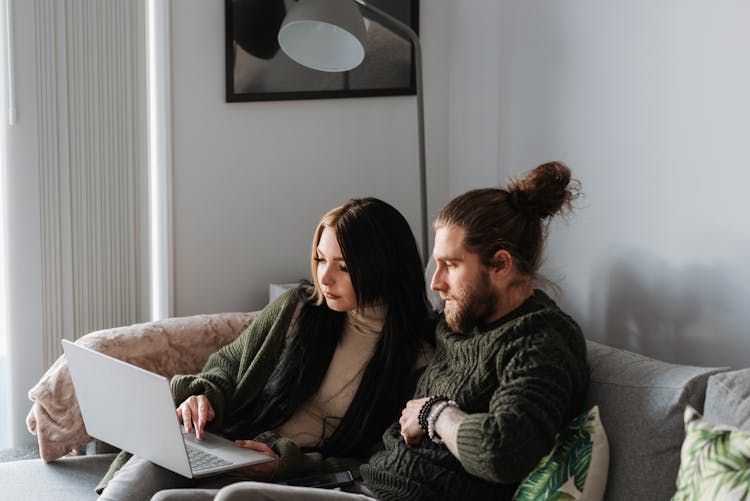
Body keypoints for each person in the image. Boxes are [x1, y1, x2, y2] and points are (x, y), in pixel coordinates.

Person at [199, 160, 590, 501]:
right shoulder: (461, 327)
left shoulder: (540, 340)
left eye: (450, 266)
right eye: (434, 265)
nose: (435, 283)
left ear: (501, 265)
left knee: (236, 498)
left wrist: (435, 414)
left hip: (389, 493)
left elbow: (503, 452)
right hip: (360, 485)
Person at [96, 197, 434, 501]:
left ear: (385, 267)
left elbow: (381, 461)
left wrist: (284, 465)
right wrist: (203, 397)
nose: (324, 277)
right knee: (149, 468)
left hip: (294, 478)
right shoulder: (299, 309)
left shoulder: (416, 358)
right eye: (320, 259)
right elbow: (228, 363)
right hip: (231, 443)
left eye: (343, 267)